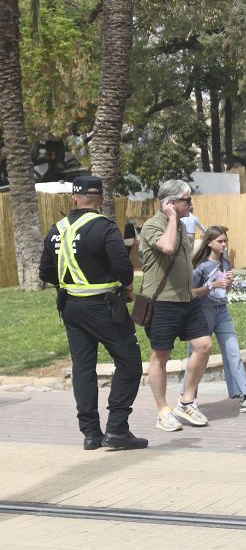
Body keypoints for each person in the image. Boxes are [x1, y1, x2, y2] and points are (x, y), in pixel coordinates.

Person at [38, 176, 146, 451]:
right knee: (130, 363)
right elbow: (123, 268)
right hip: (105, 308)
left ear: (74, 199)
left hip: (71, 309)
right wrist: (125, 285)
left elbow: (45, 272)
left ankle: (90, 434)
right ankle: (117, 429)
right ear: (100, 200)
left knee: (83, 368)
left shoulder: (57, 229)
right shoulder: (104, 227)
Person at [139, 179, 213, 432]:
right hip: (162, 302)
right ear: (170, 203)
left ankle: (186, 401)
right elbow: (168, 248)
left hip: (186, 298)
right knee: (161, 355)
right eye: (187, 200)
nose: (191, 204)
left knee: (204, 345)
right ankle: (163, 411)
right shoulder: (153, 226)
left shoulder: (181, 225)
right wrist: (171, 218)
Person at [179, 227, 246, 414]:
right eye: (220, 241)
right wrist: (211, 285)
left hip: (222, 310)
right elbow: (191, 292)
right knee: (196, 354)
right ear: (209, 242)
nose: (224, 245)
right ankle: (187, 397)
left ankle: (244, 397)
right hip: (203, 312)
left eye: (225, 241)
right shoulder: (200, 266)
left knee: (233, 351)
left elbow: (225, 290)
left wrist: (229, 283)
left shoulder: (225, 261)